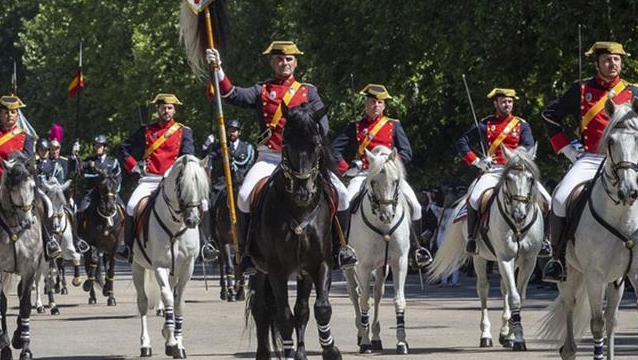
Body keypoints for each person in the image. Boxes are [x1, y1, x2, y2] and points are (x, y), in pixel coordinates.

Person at [205, 41, 355, 275]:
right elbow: (231, 94)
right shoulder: (262, 90)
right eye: (279, 59)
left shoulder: (308, 91)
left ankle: (340, 249)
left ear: (295, 62)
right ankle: (246, 253)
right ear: (272, 62)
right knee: (244, 197)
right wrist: (218, 69)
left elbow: (322, 125)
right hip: (270, 157)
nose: (284, 63)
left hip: (304, 159)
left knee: (343, 195)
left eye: (288, 59)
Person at [540, 41, 638, 283]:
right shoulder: (580, 90)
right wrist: (567, 148)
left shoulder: (634, 92)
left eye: (616, 60)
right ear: (598, 63)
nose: (612, 64)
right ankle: (557, 259)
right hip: (590, 158)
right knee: (559, 200)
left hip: (628, 162)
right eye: (607, 60)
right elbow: (550, 115)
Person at [333, 84, 431, 268]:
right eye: (372, 102)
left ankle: (417, 250)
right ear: (366, 103)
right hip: (363, 175)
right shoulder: (355, 127)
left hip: (389, 176)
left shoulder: (393, 125)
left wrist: (390, 164)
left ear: (384, 106)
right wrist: (347, 168)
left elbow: (406, 152)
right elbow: (334, 149)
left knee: (416, 206)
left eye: (379, 102)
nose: (375, 105)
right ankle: (343, 247)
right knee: (345, 199)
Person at [0, 95, 61, 264]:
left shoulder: (26, 137)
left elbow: (29, 160)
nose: (9, 115)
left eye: (13, 112)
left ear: (18, 115)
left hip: (20, 184)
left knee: (48, 204)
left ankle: (49, 241)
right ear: (0, 114)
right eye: (6, 112)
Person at [455, 88, 550, 254]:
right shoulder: (485, 124)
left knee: (547, 200)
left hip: (517, 171)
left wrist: (521, 159)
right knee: (475, 198)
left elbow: (528, 145)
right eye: (504, 101)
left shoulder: (522, 125)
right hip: (493, 170)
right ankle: (472, 238)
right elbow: (462, 141)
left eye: (510, 102)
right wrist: (477, 161)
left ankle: (545, 240)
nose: (507, 105)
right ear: (496, 103)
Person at [119, 94, 203, 258]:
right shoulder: (146, 131)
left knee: (203, 204)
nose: (166, 111)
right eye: (163, 108)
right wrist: (134, 166)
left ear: (174, 110)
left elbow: (187, 155)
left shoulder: (184, 131)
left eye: (170, 108)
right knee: (131, 206)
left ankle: (206, 244)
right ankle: (127, 247)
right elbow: (123, 148)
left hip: (174, 181)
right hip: (150, 179)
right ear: (158, 110)